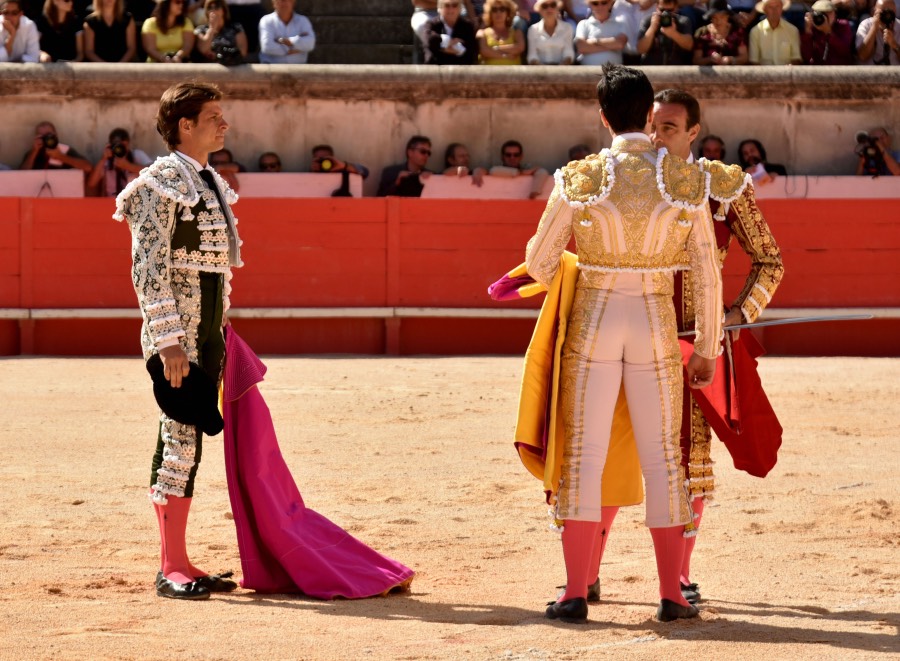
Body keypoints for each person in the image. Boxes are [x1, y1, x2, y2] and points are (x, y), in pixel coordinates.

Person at [528, 64, 721, 624]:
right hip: (656, 320)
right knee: (663, 456)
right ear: (649, 117)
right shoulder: (686, 181)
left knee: (584, 453)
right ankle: (672, 595)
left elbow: (540, 265)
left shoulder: (580, 177)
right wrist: (706, 346)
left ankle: (574, 595)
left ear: (603, 115)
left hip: (593, 318)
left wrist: (579, 264)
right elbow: (706, 272)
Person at [645, 88, 783, 604]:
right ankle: (587, 571)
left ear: (694, 132)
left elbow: (769, 261)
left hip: (697, 345)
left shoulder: (719, 186)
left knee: (689, 454)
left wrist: (733, 316)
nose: (658, 137)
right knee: (608, 450)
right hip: (632, 335)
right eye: (653, 126)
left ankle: (678, 575)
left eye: (670, 128)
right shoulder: (625, 180)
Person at [113, 81, 243, 600]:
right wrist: (168, 338)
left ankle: (182, 559)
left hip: (205, 333)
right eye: (213, 115)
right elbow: (148, 270)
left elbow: (213, 272)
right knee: (178, 439)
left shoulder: (207, 180)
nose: (223, 123)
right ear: (184, 125)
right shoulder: (158, 183)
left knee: (188, 440)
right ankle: (171, 565)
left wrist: (221, 332)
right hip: (179, 337)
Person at [87, 127, 152, 197]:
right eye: (117, 146)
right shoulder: (107, 161)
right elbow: (91, 183)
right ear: (111, 145)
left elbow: (152, 172)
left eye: (123, 145)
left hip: (134, 201)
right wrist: (103, 159)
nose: (120, 149)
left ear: (128, 144)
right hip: (110, 202)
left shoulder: (136, 155)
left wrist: (129, 166)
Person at [20, 121, 93, 173]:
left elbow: (88, 167)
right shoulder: (32, 153)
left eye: (49, 135)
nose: (46, 138)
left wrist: (60, 156)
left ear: (55, 135)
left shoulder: (65, 150)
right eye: (42, 136)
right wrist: (34, 151)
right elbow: (20, 175)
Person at [637, 0, 694, 64]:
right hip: (651, 68)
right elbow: (640, 49)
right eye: (662, 10)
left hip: (676, 69)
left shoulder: (683, 21)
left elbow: (689, 46)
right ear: (657, 7)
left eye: (670, 10)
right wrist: (652, 28)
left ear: (676, 8)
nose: (665, 14)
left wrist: (673, 33)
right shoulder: (648, 21)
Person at [692, 0, 749, 65]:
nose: (718, 21)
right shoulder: (702, 33)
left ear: (727, 16)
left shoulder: (738, 32)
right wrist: (710, 59)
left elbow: (745, 57)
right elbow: (696, 60)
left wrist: (730, 59)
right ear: (711, 18)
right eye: (715, 17)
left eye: (722, 17)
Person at [258, 0, 315, 64]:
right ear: (274, 3)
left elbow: (310, 44)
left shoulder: (303, 21)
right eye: (281, 0)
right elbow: (267, 47)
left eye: (288, 0)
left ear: (293, 2)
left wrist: (289, 41)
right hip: (272, 69)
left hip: (298, 69)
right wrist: (293, 49)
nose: (284, 3)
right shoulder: (266, 20)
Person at [575, 0, 629, 65]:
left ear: (611, 3)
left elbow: (620, 44)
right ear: (589, 5)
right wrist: (612, 46)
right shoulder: (583, 24)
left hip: (614, 73)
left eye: (604, 2)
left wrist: (595, 41)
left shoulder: (620, 24)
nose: (600, 6)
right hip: (587, 72)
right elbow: (581, 47)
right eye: (595, 3)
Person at [193, 0, 247, 65]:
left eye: (217, 7)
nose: (213, 10)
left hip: (233, 67)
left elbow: (243, 51)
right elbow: (203, 49)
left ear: (223, 10)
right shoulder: (201, 30)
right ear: (206, 12)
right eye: (210, 8)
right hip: (209, 68)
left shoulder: (236, 27)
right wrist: (212, 29)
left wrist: (223, 56)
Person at [748, 0, 801, 64]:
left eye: (777, 6)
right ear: (764, 10)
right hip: (763, 73)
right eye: (770, 7)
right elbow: (754, 62)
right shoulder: (755, 32)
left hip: (786, 73)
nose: (774, 10)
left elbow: (796, 59)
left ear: (782, 8)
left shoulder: (793, 30)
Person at [528, 0, 575, 64]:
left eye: (553, 5)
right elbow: (532, 56)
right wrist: (544, 71)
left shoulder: (567, 27)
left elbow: (568, 53)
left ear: (557, 8)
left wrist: (559, 70)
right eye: (545, 6)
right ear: (539, 10)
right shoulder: (532, 29)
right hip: (539, 71)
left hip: (563, 70)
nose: (549, 9)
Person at [855, 0, 900, 65]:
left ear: (895, 12)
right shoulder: (866, 25)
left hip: (895, 73)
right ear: (874, 11)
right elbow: (862, 56)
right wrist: (874, 28)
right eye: (883, 12)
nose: (887, 16)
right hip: (870, 73)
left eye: (890, 12)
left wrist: (894, 44)